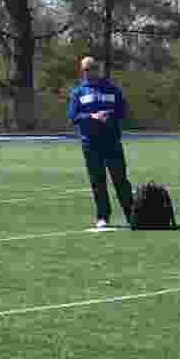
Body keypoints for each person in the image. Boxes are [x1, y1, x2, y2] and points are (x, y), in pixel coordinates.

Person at [68, 56, 133, 230]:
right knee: (98, 180)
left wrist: (109, 116)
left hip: (111, 141)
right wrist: (91, 117)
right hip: (91, 143)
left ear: (98, 69)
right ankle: (103, 216)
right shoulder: (78, 92)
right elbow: (73, 116)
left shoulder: (112, 89)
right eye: (86, 69)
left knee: (120, 179)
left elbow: (123, 111)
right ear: (82, 72)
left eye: (93, 68)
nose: (90, 72)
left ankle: (131, 214)